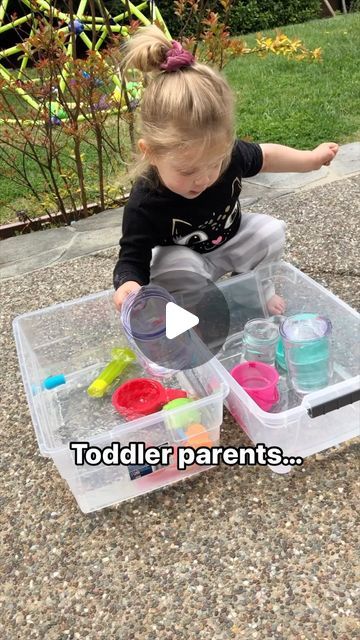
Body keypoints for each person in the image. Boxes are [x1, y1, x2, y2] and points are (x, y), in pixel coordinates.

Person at [113, 25, 338, 315]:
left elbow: (266, 156)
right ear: (152, 153)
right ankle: (193, 305)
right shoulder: (146, 199)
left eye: (215, 163)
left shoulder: (229, 155)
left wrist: (310, 159)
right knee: (174, 265)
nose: (204, 178)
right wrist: (129, 285)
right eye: (187, 170)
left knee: (270, 233)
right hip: (187, 263)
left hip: (231, 242)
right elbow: (133, 256)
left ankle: (255, 289)